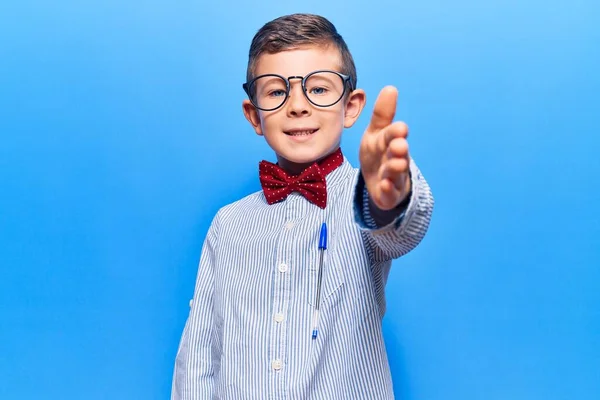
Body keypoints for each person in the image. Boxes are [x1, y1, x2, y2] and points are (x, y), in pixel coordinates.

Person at [171, 12, 434, 400]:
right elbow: (199, 354)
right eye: (276, 91)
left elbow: (401, 232)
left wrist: (389, 199)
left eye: (320, 89)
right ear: (253, 115)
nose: (297, 106)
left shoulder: (366, 198)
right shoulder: (228, 225)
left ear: (351, 106)